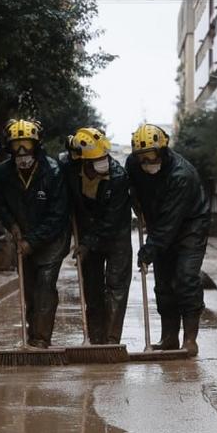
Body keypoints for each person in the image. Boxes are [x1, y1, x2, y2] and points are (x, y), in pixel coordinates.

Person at [126, 124, 210, 355]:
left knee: (185, 278)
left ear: (162, 151)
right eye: (141, 158)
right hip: (160, 223)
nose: (146, 162)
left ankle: (190, 340)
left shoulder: (182, 175)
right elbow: (131, 185)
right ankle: (169, 338)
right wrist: (135, 200)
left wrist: (149, 250)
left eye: (151, 156)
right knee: (163, 283)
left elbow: (169, 223)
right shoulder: (133, 165)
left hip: (190, 225)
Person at [0, 119, 70, 348]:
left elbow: (58, 216)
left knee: (45, 286)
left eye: (27, 145)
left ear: (36, 145)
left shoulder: (53, 171)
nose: (22, 152)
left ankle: (41, 339)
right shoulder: (3, 172)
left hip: (52, 241)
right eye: (17, 146)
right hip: (23, 238)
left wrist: (32, 242)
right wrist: (12, 225)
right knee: (30, 290)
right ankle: (32, 332)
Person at [63, 127, 132, 344]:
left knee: (116, 287)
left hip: (116, 233)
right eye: (95, 161)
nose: (102, 164)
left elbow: (110, 221)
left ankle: (111, 341)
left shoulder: (118, 177)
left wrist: (87, 244)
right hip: (86, 231)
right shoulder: (69, 169)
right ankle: (95, 340)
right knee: (92, 289)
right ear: (83, 162)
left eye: (104, 158)